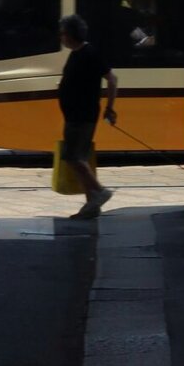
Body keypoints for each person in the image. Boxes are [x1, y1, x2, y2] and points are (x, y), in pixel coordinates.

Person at [57, 13, 117, 219]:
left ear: (71, 35)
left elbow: (112, 79)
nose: (61, 37)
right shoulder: (76, 53)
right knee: (77, 157)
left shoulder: (90, 53)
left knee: (73, 157)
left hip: (82, 115)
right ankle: (91, 205)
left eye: (63, 33)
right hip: (74, 114)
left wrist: (110, 107)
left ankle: (99, 192)